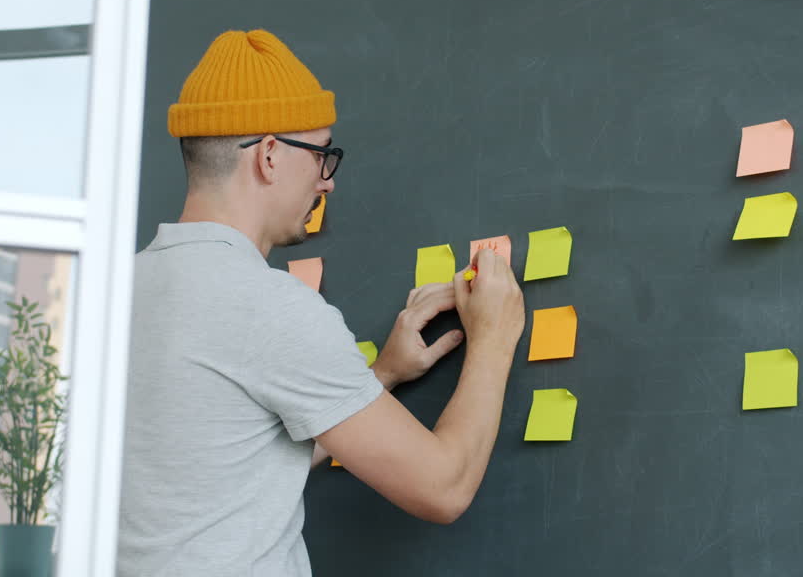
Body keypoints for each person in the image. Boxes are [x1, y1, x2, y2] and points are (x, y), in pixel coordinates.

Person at [118, 29, 526, 576]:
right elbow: (443, 487)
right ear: (268, 155)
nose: (326, 182)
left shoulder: (116, 293)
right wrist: (495, 337)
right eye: (321, 155)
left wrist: (380, 375)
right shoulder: (269, 306)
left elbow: (233, 462)